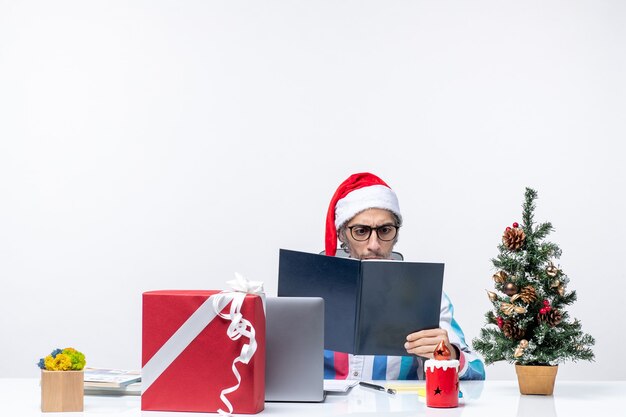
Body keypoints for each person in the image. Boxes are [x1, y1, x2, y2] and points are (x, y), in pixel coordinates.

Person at [324, 172, 485, 380]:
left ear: (396, 233)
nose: (374, 245)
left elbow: (476, 371)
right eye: (361, 231)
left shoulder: (426, 295)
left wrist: (450, 353)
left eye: (385, 230)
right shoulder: (310, 292)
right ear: (342, 234)